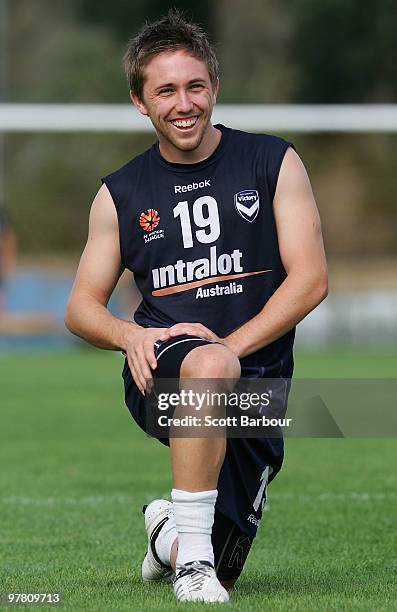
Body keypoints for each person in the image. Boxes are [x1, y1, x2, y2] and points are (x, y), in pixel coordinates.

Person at [65, 9, 328, 604]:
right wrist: (130, 335)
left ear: (214, 88)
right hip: (165, 369)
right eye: (165, 91)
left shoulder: (272, 161)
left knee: (226, 559)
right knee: (208, 367)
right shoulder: (120, 193)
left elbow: (310, 280)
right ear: (140, 102)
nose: (183, 104)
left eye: (194, 87)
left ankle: (171, 537)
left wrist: (231, 347)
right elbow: (80, 308)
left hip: (259, 380)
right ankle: (192, 567)